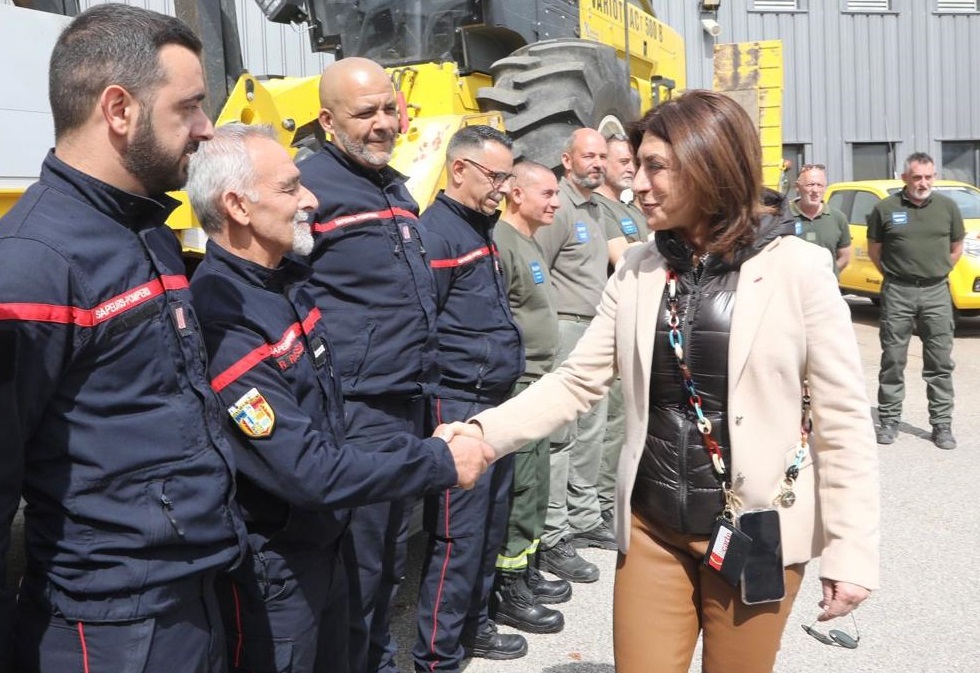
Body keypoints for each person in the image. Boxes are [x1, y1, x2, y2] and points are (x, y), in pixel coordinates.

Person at [456, 90, 880, 673]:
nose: (637, 186)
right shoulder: (639, 267)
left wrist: (851, 551)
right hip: (652, 527)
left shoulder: (796, 269)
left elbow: (844, 421)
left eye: (656, 167)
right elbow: (576, 380)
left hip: (754, 529)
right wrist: (482, 434)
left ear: (709, 167)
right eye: (638, 167)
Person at [184, 123, 493, 673]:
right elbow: (307, 468)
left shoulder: (285, 283)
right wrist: (437, 461)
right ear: (237, 206)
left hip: (324, 543)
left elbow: (335, 423)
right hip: (276, 571)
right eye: (288, 189)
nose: (310, 200)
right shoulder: (224, 317)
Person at [0, 6, 249, 671]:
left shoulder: (146, 231)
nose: (207, 128)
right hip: (109, 631)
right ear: (118, 109)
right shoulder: (34, 266)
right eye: (190, 107)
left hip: (189, 597)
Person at [296, 57, 439, 673]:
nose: (383, 123)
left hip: (406, 402)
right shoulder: (309, 192)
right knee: (358, 567)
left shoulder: (396, 185)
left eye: (390, 108)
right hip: (356, 413)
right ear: (329, 121)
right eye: (365, 113)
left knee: (389, 560)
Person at [412, 125, 525, 671]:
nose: (504, 186)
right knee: (458, 535)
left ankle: (474, 625)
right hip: (458, 405)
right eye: (495, 175)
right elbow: (423, 325)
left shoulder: (480, 230)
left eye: (506, 175)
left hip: (493, 406)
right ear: (460, 170)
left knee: (489, 526)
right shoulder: (437, 235)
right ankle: (438, 655)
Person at [532, 127, 616, 584]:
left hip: (595, 330)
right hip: (566, 329)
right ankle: (554, 532)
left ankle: (583, 519)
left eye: (603, 155)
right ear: (567, 160)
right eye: (589, 155)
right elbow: (536, 270)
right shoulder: (559, 207)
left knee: (592, 432)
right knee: (562, 435)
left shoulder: (595, 208)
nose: (598, 163)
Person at [490, 161, 570, 635]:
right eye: (546, 193)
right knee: (521, 486)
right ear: (516, 195)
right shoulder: (503, 242)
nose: (555, 202)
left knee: (536, 482)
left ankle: (526, 564)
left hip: (540, 380)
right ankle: (508, 587)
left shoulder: (530, 242)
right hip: (520, 383)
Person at [868, 152, 964, 450]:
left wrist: (937, 271)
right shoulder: (885, 208)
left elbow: (956, 247)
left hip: (936, 291)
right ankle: (889, 419)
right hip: (898, 291)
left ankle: (942, 424)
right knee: (893, 358)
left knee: (939, 361)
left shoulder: (948, 207)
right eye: (917, 177)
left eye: (928, 176)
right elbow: (875, 251)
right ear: (904, 178)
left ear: (934, 176)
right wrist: (898, 276)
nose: (923, 182)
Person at [592, 132, 647, 534]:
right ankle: (601, 507)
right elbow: (628, 257)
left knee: (625, 422)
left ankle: (615, 498)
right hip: (612, 321)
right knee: (608, 425)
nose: (630, 167)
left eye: (634, 161)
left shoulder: (631, 209)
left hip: (639, 321)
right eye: (623, 160)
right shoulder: (603, 210)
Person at [790, 163, 852, 276]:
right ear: (797, 187)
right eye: (810, 185)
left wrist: (826, 275)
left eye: (819, 185)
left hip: (825, 290)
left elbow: (844, 257)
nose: (815, 190)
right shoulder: (783, 217)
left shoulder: (838, 218)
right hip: (793, 289)